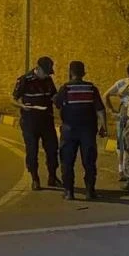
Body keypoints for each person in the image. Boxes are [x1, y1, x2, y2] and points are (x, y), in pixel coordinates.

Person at [53, 61, 107, 200]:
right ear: (83, 73)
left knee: (67, 161)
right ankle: (90, 191)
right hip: (88, 131)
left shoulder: (65, 88)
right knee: (89, 161)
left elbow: (57, 104)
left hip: (69, 130)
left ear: (70, 72)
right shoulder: (91, 88)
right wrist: (104, 126)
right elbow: (100, 109)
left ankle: (69, 192)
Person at [12, 56, 61, 190]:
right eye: (45, 72)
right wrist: (21, 106)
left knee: (52, 149)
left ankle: (52, 176)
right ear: (37, 69)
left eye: (48, 72)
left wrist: (60, 100)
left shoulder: (48, 80)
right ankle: (35, 178)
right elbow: (13, 99)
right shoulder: (25, 80)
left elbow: (53, 95)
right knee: (32, 150)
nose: (46, 75)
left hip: (46, 120)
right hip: (30, 121)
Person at [104, 62, 129, 182]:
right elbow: (107, 94)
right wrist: (112, 111)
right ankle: (121, 169)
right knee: (121, 142)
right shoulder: (122, 83)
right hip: (125, 113)